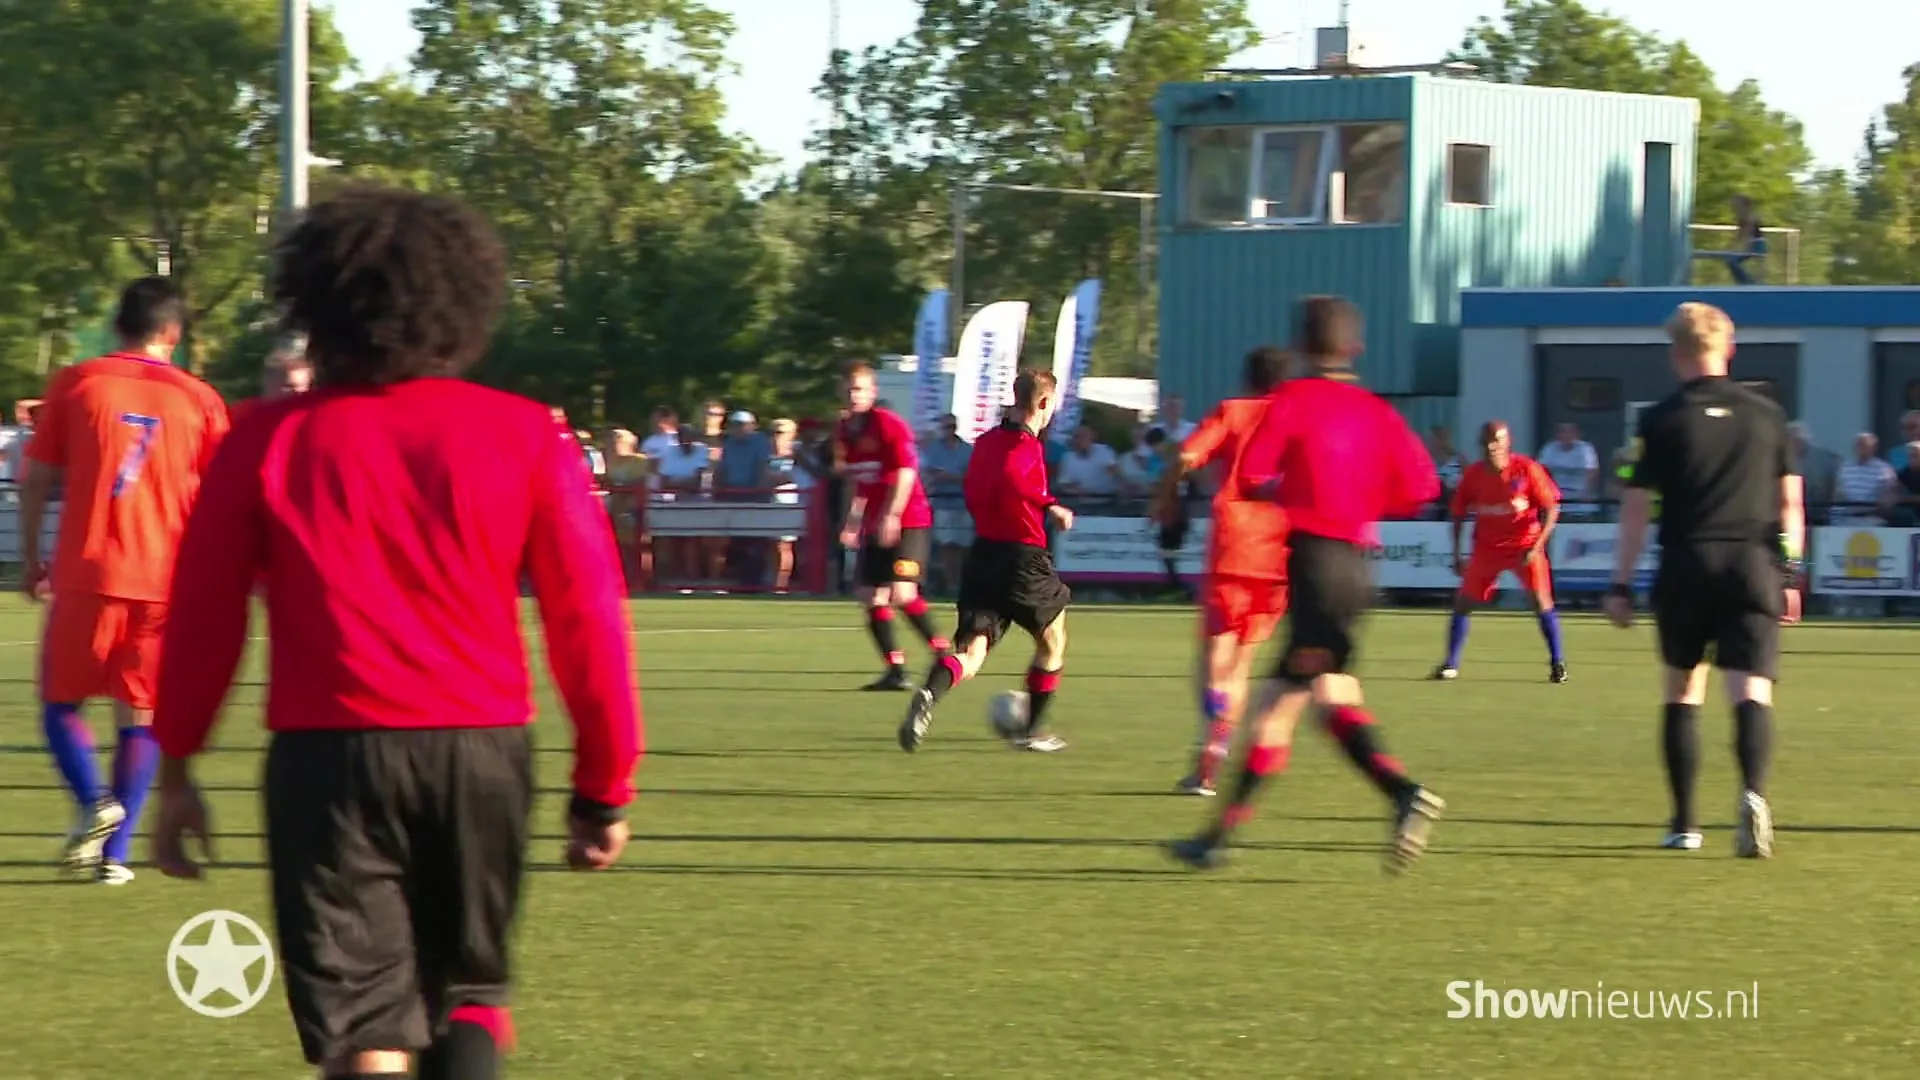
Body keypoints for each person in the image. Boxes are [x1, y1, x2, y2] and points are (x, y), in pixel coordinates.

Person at [147, 185, 644, 1080]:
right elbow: (589, 615)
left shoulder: (264, 440)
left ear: (318, 305)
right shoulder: (525, 433)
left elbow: (203, 616)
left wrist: (176, 764)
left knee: (365, 1027)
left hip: (329, 756)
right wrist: (603, 785)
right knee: (469, 997)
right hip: (482, 750)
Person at [1168, 296, 1443, 874]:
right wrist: (1365, 498)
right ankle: (1216, 839)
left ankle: (1402, 793)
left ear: (1299, 347)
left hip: (1314, 565)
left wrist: (1296, 493)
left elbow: (1259, 473)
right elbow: (1421, 487)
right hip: (1358, 571)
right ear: (1355, 349)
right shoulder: (1376, 411)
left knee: (1280, 710)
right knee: (1323, 698)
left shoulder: (1291, 401)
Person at [18, 276, 230, 886]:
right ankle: (116, 856)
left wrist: (34, 557)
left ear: (118, 326)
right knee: (140, 717)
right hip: (165, 582)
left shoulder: (78, 383)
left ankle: (93, 802)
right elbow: (220, 498)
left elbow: (37, 481)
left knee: (61, 708)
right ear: (174, 332)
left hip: (89, 568)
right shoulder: (201, 400)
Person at [1604, 302, 1802, 859]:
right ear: (1728, 349)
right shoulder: (1768, 417)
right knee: (1751, 692)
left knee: (1683, 693)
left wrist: (1619, 583)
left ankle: (1685, 823)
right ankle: (1754, 795)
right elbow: (1791, 504)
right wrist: (1790, 573)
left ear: (1676, 354)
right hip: (1754, 565)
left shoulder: (1660, 419)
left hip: (1688, 563)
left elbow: (1637, 507)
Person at [900, 369, 1074, 754]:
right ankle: (1032, 731)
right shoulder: (1025, 448)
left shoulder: (985, 442)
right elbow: (1016, 479)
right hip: (1023, 556)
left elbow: (974, 489)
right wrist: (1050, 504)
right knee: (1054, 642)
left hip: (983, 554)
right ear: (1044, 403)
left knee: (973, 652)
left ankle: (930, 691)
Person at [1154, 345, 1291, 796]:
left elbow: (1186, 457)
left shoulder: (1232, 412)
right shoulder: (1297, 421)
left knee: (1213, 664)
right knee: (1243, 663)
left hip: (1234, 550)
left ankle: (1211, 748)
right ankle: (1214, 754)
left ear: (1248, 379)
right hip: (1281, 557)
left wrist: (1166, 495)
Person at [836, 361, 947, 690]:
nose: (852, 395)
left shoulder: (887, 424)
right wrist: (853, 522)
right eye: (847, 388)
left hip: (909, 519)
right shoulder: (844, 430)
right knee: (870, 595)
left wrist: (892, 514)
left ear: (872, 392)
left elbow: (906, 472)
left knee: (902, 592)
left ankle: (944, 656)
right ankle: (896, 669)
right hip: (876, 523)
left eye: (858, 388)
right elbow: (859, 483)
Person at [1431, 420, 1568, 683]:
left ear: (1508, 442)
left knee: (1541, 602)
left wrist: (1537, 545)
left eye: (1497, 440)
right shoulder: (1473, 475)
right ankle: (1450, 664)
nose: (1491, 446)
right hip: (1487, 548)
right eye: (1486, 441)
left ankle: (1558, 663)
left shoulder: (1527, 469)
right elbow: (1458, 513)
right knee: (1463, 603)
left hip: (1524, 546)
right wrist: (1458, 554)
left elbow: (1552, 508)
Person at [230, 337, 314, 422]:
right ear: (268, 383)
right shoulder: (243, 414)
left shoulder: (313, 417)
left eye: (304, 387)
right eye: (289, 387)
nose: (299, 393)